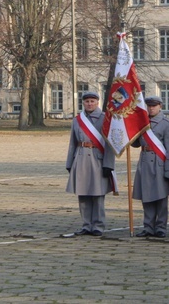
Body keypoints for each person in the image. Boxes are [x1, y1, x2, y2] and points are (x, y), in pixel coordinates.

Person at [65, 91, 115, 237]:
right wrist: (70, 163)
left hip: (97, 159)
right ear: (83, 103)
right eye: (87, 101)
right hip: (80, 159)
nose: (89, 104)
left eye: (92, 101)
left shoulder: (106, 118)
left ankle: (98, 225)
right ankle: (86, 225)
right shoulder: (77, 120)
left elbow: (109, 143)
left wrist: (109, 164)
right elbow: (72, 143)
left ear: (97, 102)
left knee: (97, 194)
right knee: (83, 194)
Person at [131, 95, 169, 238]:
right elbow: (136, 143)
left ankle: (161, 227)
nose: (151, 108)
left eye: (154, 106)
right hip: (145, 162)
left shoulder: (167, 123)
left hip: (160, 163)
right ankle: (148, 226)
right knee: (147, 196)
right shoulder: (142, 122)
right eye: (149, 106)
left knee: (160, 197)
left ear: (160, 107)